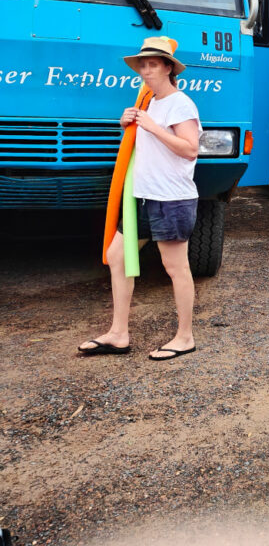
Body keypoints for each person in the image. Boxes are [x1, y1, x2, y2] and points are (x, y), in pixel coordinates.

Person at [78, 36, 202, 361]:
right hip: (143, 198)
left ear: (167, 68)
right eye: (142, 65)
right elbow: (144, 146)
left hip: (172, 199)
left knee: (175, 267)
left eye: (152, 64)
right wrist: (128, 126)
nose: (145, 71)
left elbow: (190, 150)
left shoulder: (180, 103)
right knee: (117, 256)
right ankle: (119, 333)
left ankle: (185, 337)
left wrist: (153, 128)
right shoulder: (149, 101)